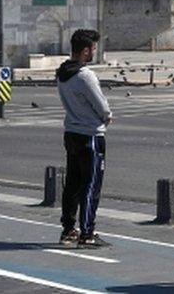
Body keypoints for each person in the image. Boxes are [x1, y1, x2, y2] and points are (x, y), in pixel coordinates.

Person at [57, 29, 113, 248]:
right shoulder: (85, 75)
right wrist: (107, 116)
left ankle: (69, 229)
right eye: (93, 48)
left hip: (71, 133)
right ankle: (87, 233)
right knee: (91, 185)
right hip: (90, 135)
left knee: (72, 183)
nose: (95, 52)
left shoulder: (62, 73)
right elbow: (101, 105)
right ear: (86, 50)